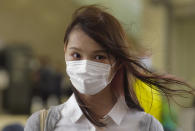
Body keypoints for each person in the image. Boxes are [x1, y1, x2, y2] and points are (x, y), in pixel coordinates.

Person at [25, 5, 193, 131]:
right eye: (76, 55)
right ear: (65, 52)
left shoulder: (146, 126)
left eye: (99, 57)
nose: (85, 66)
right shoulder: (42, 124)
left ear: (117, 62)